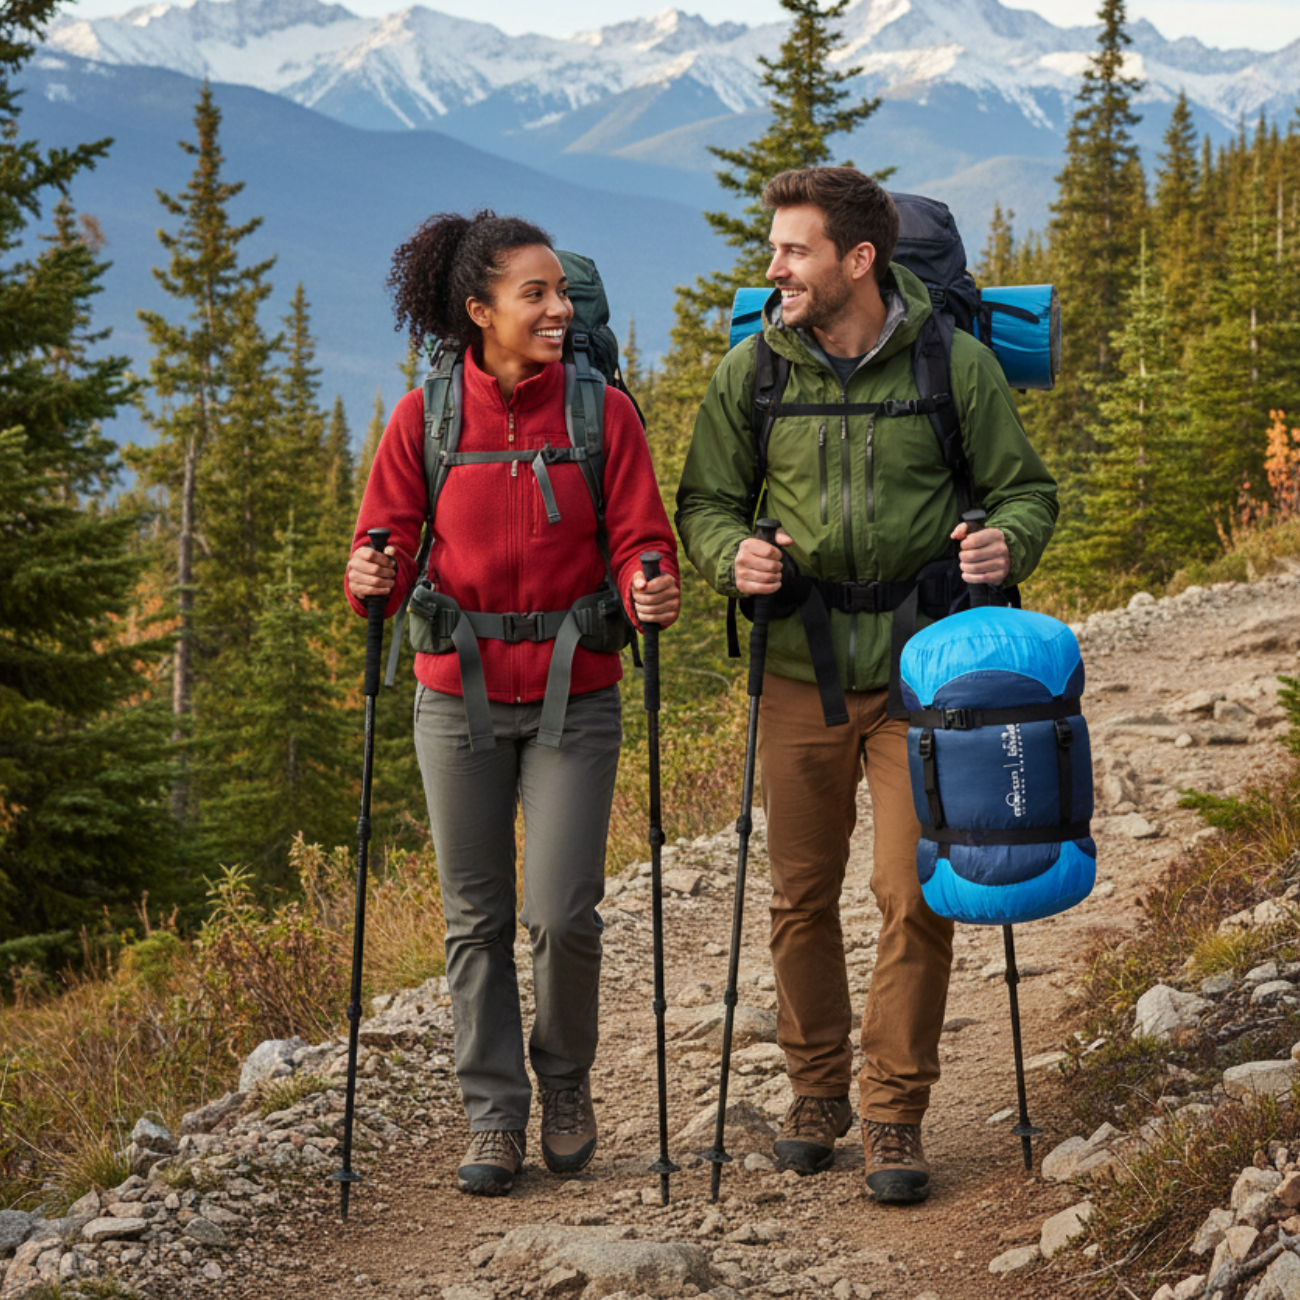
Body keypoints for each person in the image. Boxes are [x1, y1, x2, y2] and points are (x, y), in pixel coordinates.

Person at [676, 168, 1057, 1204]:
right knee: (799, 897)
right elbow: (706, 501)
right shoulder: (753, 372)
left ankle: (893, 1111)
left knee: (911, 891)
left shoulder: (954, 364)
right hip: (798, 669)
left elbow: (1026, 490)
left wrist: (1001, 544)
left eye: (793, 251)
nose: (772, 269)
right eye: (773, 249)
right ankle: (814, 1092)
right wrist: (731, 558)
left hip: (925, 674)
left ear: (858, 260)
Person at [346, 210, 680, 1198]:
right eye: (534, 294)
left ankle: (565, 1085)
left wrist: (647, 583)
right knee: (474, 918)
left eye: (561, 294)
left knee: (563, 912)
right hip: (457, 698)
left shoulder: (600, 411)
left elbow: (639, 536)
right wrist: (370, 573)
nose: (557, 309)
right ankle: (494, 1117)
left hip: (578, 691)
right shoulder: (425, 417)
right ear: (477, 308)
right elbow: (386, 546)